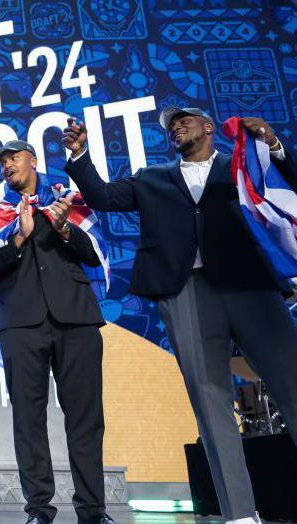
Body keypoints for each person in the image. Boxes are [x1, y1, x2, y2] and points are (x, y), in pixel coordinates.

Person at [62, 107, 297, 524]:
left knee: (293, 383)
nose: (176, 127)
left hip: (250, 284)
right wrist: (80, 156)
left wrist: (275, 146)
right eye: (171, 125)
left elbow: (286, 187)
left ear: (209, 127)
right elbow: (103, 197)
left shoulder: (242, 166)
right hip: (185, 290)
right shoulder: (151, 178)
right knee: (210, 402)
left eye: (185, 120)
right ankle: (241, 514)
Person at [0, 140, 113, 524]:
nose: (6, 166)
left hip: (77, 318)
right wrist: (18, 236)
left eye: (12, 158)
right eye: (1, 162)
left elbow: (95, 253)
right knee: (28, 419)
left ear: (33, 160)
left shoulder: (69, 199)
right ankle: (39, 511)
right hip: (20, 321)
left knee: (85, 417)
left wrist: (64, 228)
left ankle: (93, 511)